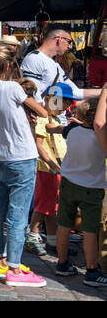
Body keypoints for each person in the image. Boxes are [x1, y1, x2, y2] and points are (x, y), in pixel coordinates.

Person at [0, 54, 52, 288]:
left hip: (0, 155)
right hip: (22, 155)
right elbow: (44, 112)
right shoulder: (10, 87)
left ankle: (1, 259)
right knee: (17, 216)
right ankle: (15, 267)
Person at [53, 90, 107, 286]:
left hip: (68, 182)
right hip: (92, 188)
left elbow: (62, 129)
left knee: (64, 224)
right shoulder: (101, 138)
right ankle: (92, 270)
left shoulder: (71, 131)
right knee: (90, 230)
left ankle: (62, 262)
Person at [20, 24, 102, 117]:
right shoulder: (34, 59)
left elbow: (74, 92)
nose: (69, 46)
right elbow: (32, 96)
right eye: (69, 41)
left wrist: (103, 91)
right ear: (59, 39)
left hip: (54, 120)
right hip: (42, 122)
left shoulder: (54, 64)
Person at [28, 83, 70, 258]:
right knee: (43, 205)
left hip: (59, 169)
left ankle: (52, 240)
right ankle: (32, 236)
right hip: (47, 169)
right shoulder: (43, 118)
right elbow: (39, 145)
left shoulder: (60, 119)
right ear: (48, 100)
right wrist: (51, 164)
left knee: (53, 206)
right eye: (61, 105)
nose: (64, 109)